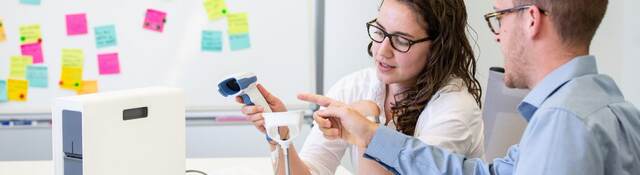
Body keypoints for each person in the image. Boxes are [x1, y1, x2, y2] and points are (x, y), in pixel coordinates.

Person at [304, 0, 640, 174]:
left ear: (532, 19)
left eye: (500, 16)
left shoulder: (563, 123)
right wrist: (370, 135)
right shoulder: (610, 106)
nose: (498, 34)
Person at [237, 0, 486, 174]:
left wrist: (368, 121)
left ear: (438, 47)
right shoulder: (355, 87)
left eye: (401, 40)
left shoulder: (454, 110)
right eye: (379, 31)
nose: (382, 50)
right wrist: (280, 137)